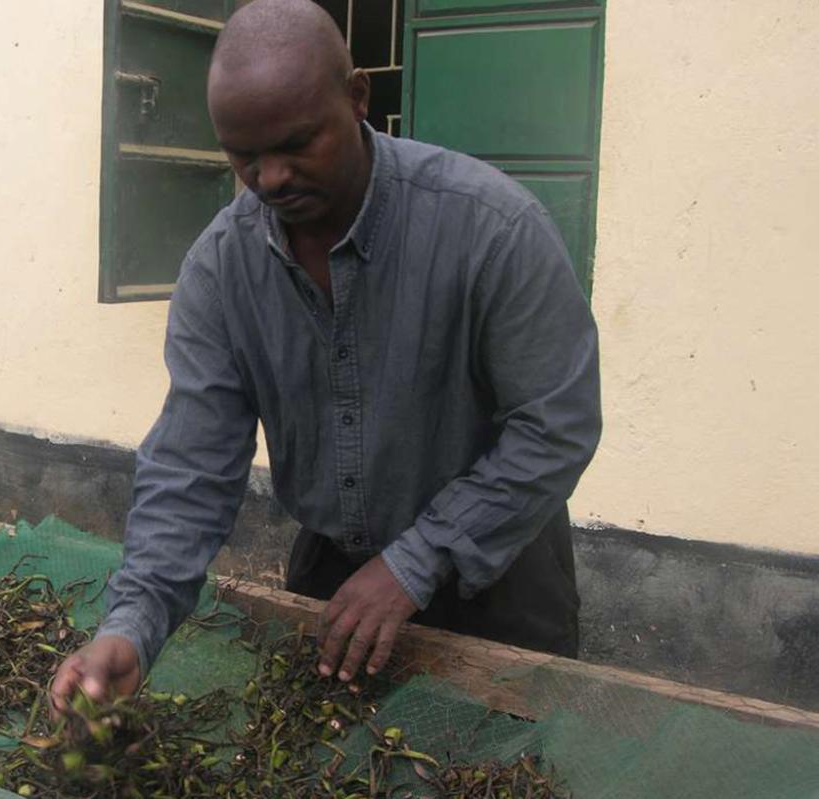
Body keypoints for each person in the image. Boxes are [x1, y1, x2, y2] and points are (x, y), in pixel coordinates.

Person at [51, 0, 601, 710]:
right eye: (243, 155)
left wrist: (414, 561)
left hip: (498, 579)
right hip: (335, 585)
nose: (270, 178)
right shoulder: (221, 270)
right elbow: (191, 464)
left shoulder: (492, 229)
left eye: (296, 143)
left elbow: (557, 426)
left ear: (358, 98)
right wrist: (132, 626)